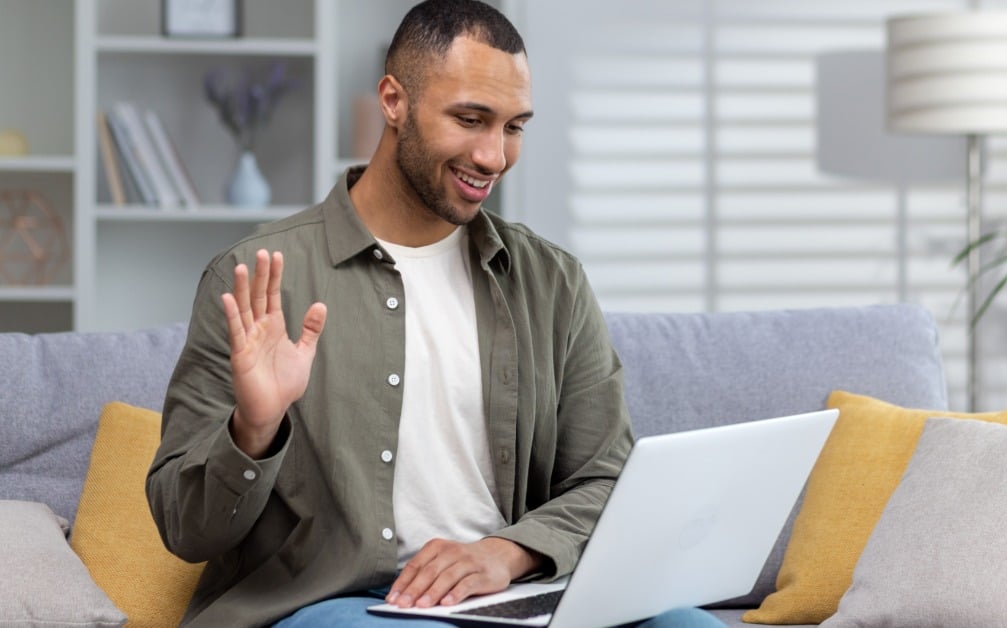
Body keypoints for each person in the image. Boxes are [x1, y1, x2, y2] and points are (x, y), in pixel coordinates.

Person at [147, 1, 724, 626]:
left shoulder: (552, 282)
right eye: (471, 119)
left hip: (509, 594)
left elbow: (605, 479)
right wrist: (253, 430)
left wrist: (506, 554)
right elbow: (187, 531)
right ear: (393, 101)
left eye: (514, 127)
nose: (494, 156)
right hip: (337, 606)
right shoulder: (258, 277)